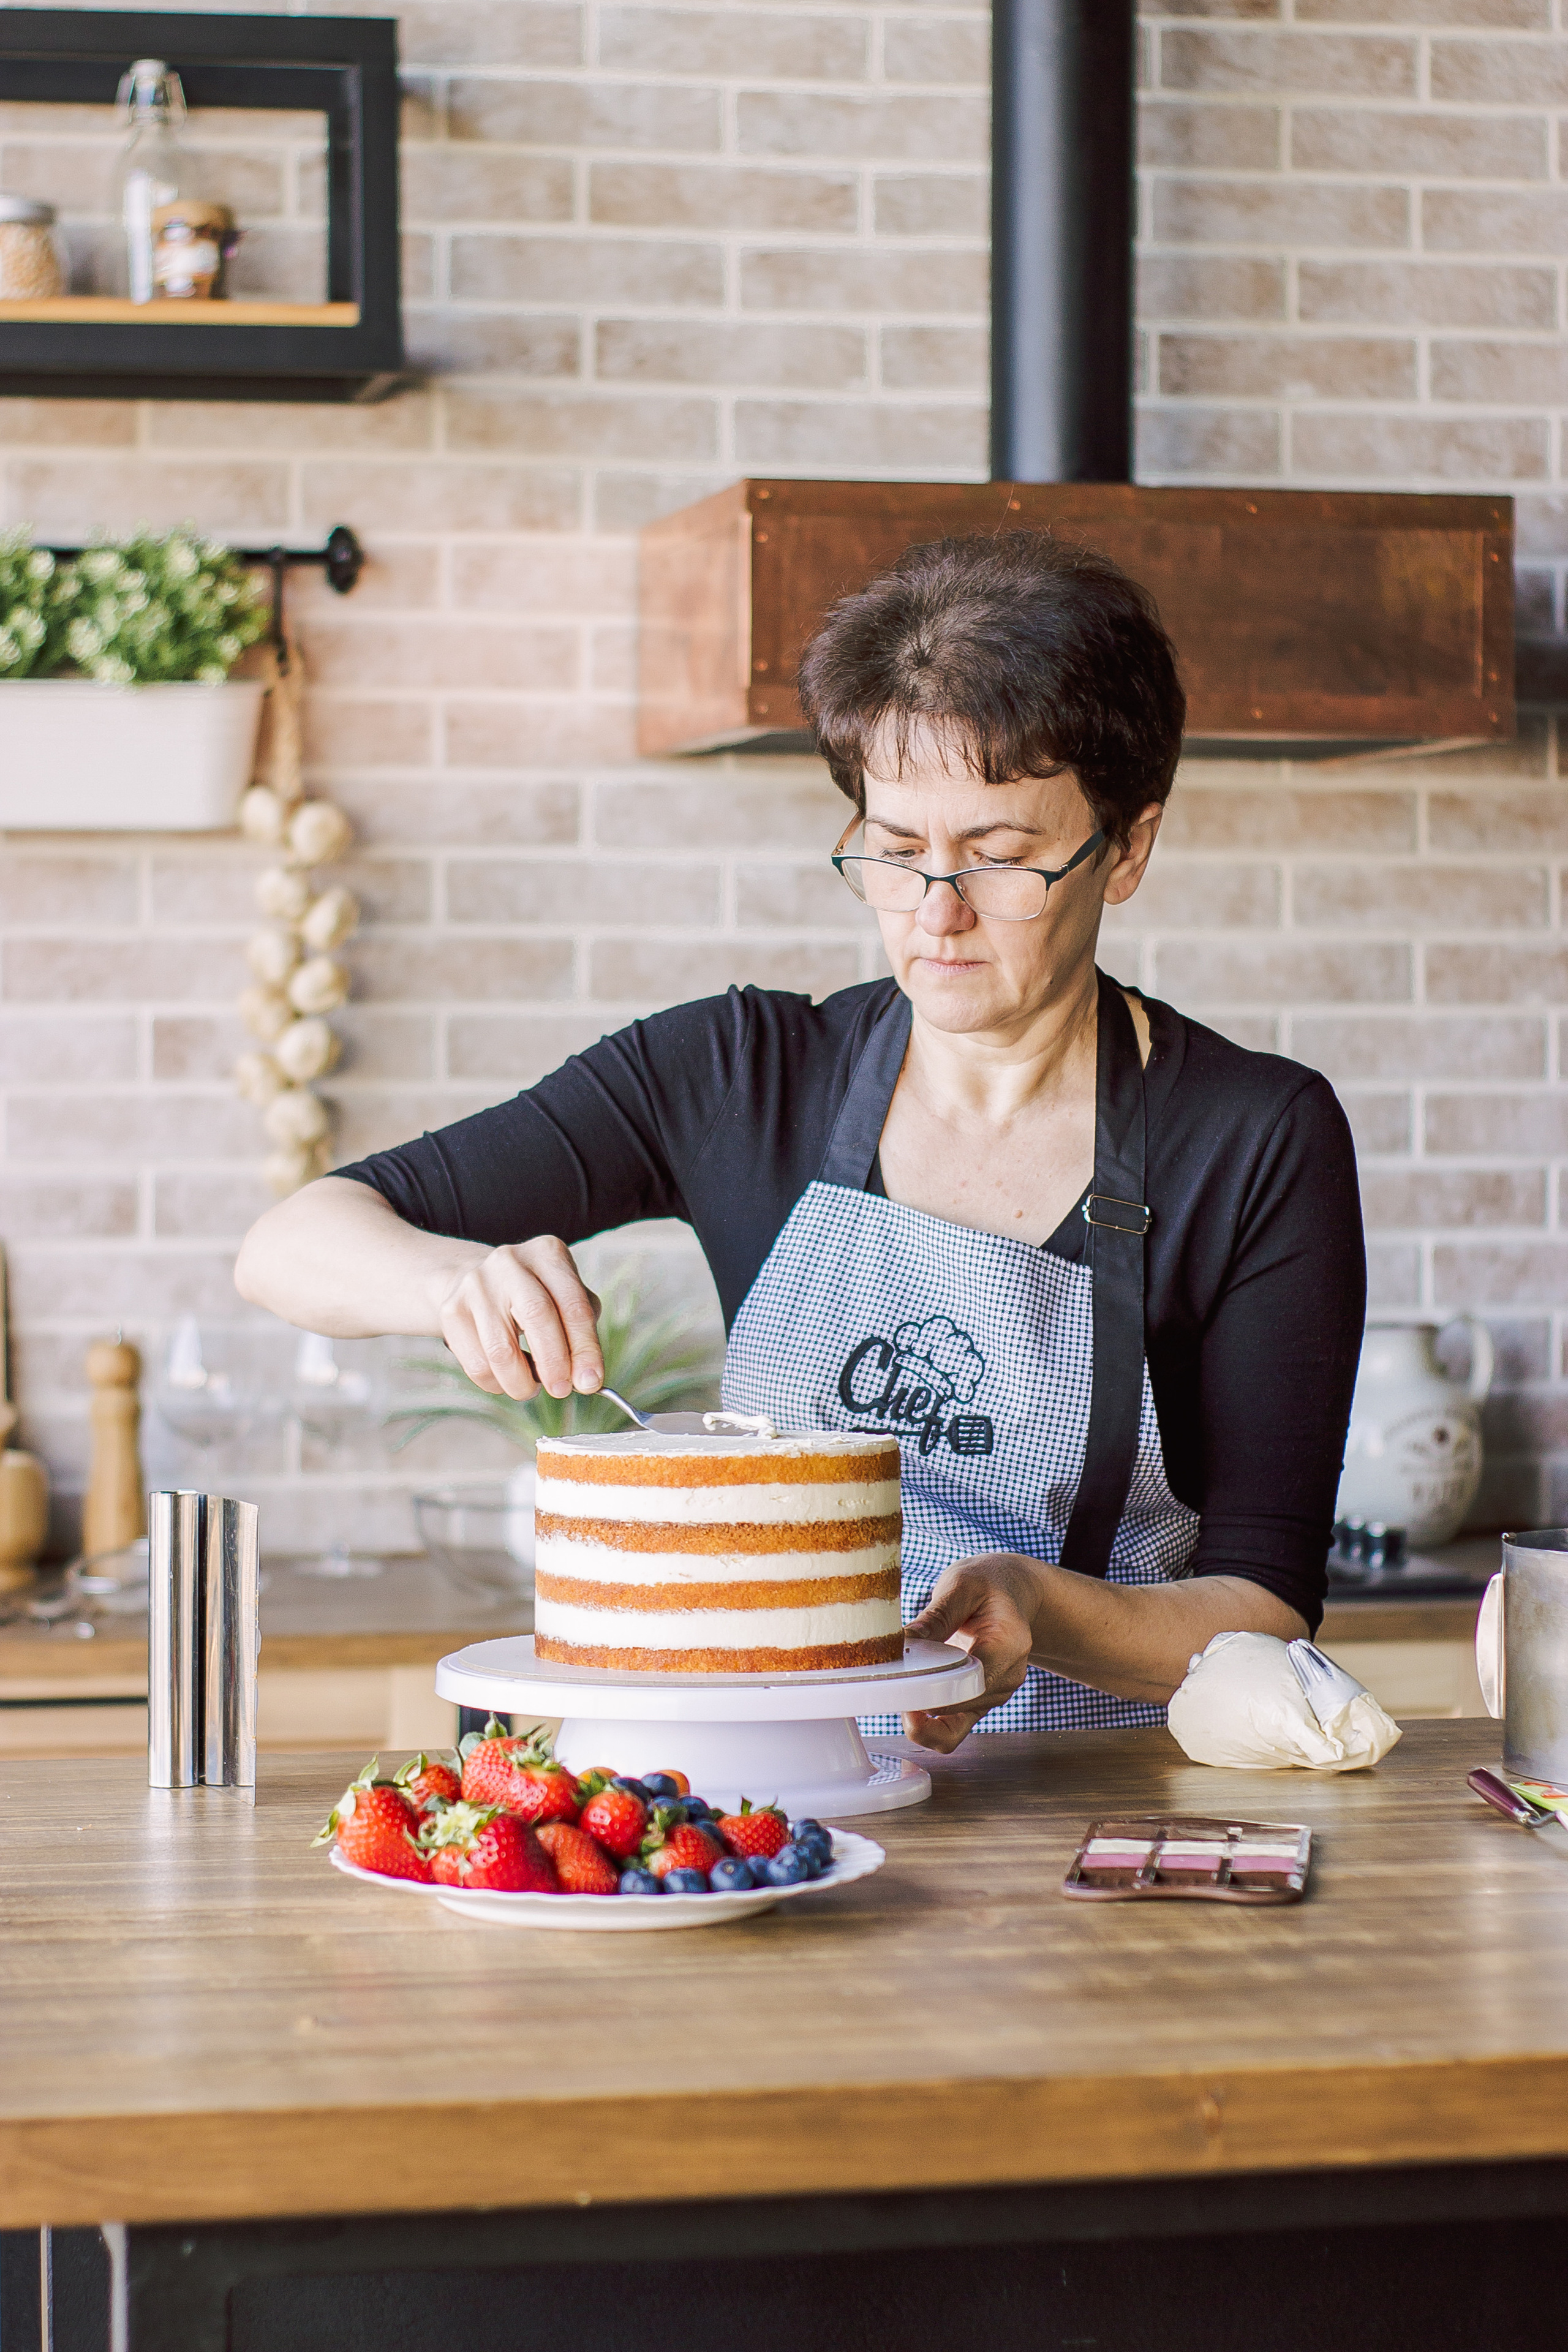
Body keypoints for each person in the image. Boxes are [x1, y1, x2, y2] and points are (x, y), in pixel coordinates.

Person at [236, 532, 1365, 1751]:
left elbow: (1265, 1609)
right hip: (765, 1794)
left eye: (999, 860)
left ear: (1127, 848)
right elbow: (290, 1244)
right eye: (896, 852)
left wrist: (1040, 1609)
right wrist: (453, 1283)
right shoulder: (738, 1074)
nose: (935, 914)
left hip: (1076, 1803)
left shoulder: (1253, 1137)